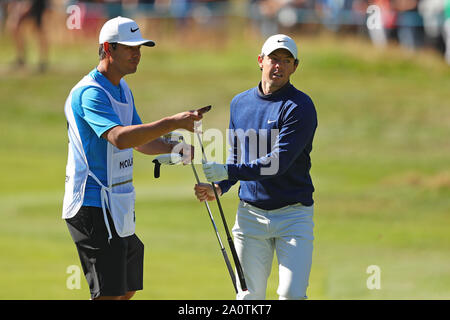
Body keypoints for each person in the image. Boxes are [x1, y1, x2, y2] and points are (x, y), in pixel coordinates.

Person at [63, 16, 205, 300]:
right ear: (108, 48)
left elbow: (139, 142)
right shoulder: (90, 92)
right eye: (129, 47)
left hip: (118, 204)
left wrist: (172, 147)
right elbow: (121, 138)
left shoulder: (123, 89)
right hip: (92, 204)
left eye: (139, 47)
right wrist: (173, 122)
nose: (137, 53)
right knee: (109, 295)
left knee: (127, 289)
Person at [195, 34, 317, 300]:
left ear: (295, 67)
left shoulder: (300, 107)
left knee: (292, 294)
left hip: (293, 216)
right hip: (251, 215)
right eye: (274, 59)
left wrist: (229, 172)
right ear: (261, 61)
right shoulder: (241, 103)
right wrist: (220, 186)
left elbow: (278, 162)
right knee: (249, 298)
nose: (279, 66)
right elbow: (238, 156)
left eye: (287, 61)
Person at [9, 0, 49, 72]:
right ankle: (21, 58)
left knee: (39, 30)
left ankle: (42, 61)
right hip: (27, 2)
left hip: (36, 2)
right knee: (14, 27)